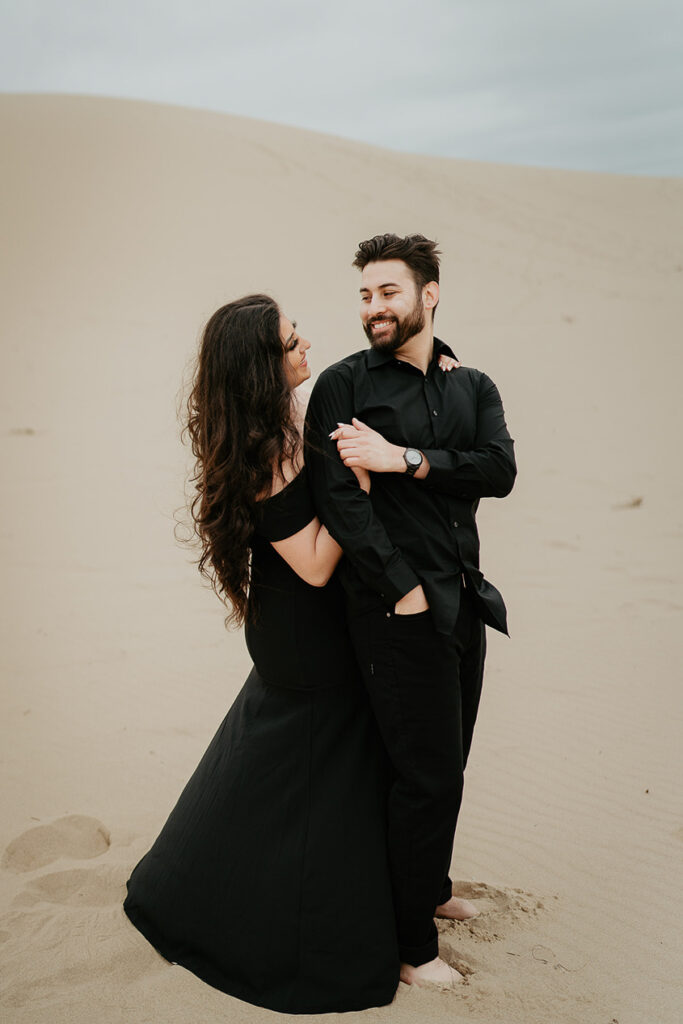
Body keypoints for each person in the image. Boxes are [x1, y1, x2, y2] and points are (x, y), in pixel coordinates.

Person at [123, 294, 409, 1014]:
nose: (304, 342)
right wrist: (360, 488)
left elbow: (350, 378)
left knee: (271, 770)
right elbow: (312, 562)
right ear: (262, 367)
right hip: (303, 636)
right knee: (306, 779)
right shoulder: (262, 451)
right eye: (290, 341)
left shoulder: (280, 416)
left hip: (300, 627)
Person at [304, 233, 517, 989]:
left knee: (447, 765)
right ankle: (409, 946)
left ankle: (428, 889)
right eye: (365, 294)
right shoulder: (342, 386)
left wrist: (406, 460)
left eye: (388, 292)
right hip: (396, 610)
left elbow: (498, 471)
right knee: (422, 777)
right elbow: (339, 500)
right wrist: (400, 584)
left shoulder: (472, 386)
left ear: (429, 294)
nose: (373, 308)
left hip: (465, 599)